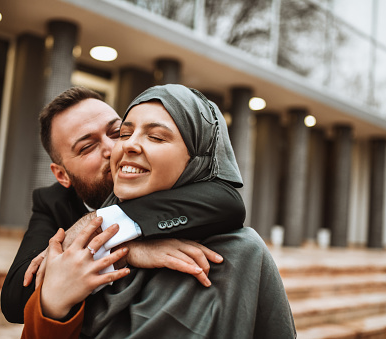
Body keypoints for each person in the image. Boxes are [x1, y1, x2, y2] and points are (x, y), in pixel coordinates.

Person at [22, 84, 296, 338]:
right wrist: (53, 306)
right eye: (126, 134)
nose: (125, 145)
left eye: (155, 136)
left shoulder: (240, 254)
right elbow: (18, 296)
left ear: (197, 157)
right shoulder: (89, 256)